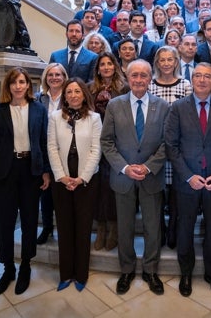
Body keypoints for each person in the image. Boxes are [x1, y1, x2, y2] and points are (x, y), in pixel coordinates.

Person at [165, 62, 211, 297]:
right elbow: (171, 146)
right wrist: (187, 176)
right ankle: (186, 273)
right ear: (192, 79)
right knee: (185, 228)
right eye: (198, 76)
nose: (203, 80)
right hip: (187, 182)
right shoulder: (178, 107)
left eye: (208, 76)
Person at [100, 60, 169, 296]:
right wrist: (125, 167)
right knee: (125, 227)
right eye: (134, 75)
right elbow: (106, 142)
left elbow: (166, 143)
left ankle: (151, 270)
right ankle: (127, 270)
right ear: (128, 78)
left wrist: (148, 167)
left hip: (151, 177)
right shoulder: (114, 105)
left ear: (151, 78)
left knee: (153, 227)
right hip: (123, 178)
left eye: (144, 75)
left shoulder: (163, 106)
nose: (139, 80)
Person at [0, 67, 50, 296]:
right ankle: (8, 268)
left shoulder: (39, 110)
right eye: (14, 83)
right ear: (8, 86)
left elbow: (43, 142)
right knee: (5, 222)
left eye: (22, 82)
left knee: (30, 221)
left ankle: (25, 266)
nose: (18, 86)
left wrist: (46, 172)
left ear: (28, 85)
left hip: (31, 170)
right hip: (5, 171)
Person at [47, 78, 102, 292]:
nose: (73, 95)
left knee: (83, 227)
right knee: (64, 226)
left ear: (84, 94)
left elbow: (96, 150)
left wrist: (82, 178)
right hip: (62, 179)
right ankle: (65, 274)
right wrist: (61, 176)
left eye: (77, 91)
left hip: (86, 180)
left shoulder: (94, 118)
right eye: (69, 91)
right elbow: (51, 147)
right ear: (65, 95)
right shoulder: (54, 117)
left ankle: (81, 275)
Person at [148, 46, 193, 250]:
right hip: (155, 148)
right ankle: (161, 230)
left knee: (175, 194)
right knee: (157, 195)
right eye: (162, 60)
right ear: (157, 63)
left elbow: (189, 115)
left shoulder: (185, 85)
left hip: (177, 149)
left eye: (170, 60)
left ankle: (173, 228)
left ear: (176, 62)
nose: (166, 63)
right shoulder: (150, 86)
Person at [88, 53, 129, 251]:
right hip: (94, 142)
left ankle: (114, 227)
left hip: (118, 143)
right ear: (97, 68)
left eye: (109, 64)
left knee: (112, 186)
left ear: (115, 66)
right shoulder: (90, 88)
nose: (105, 67)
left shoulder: (124, 88)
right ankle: (101, 228)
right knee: (98, 186)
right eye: (102, 64)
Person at [35, 63, 69, 245]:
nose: (54, 78)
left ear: (64, 77)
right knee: (45, 192)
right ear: (46, 78)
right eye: (50, 75)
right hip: (44, 150)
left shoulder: (71, 96)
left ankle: (65, 228)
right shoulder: (39, 99)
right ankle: (47, 227)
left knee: (63, 192)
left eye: (58, 74)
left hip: (66, 150)